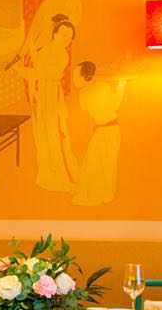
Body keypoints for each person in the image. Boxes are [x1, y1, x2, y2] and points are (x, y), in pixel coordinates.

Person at [15, 13, 79, 192]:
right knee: (43, 137)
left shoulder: (62, 55)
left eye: (69, 36)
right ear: (54, 33)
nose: (66, 39)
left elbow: (42, 73)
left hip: (51, 95)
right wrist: (25, 62)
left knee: (54, 136)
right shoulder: (45, 50)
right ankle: (47, 177)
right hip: (41, 95)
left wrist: (22, 68)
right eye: (63, 34)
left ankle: (61, 177)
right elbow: (38, 71)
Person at [71, 61, 127, 206]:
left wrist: (119, 85)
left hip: (110, 129)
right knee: (97, 162)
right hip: (102, 129)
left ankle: (105, 195)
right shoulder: (90, 91)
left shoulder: (92, 90)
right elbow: (114, 104)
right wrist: (120, 86)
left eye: (76, 76)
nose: (73, 79)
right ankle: (101, 194)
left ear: (85, 76)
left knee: (106, 163)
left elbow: (113, 105)